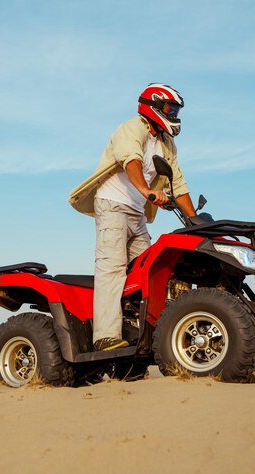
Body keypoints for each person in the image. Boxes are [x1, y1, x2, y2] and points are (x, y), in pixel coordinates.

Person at [69, 83, 196, 351]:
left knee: (149, 272)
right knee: (112, 268)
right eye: (170, 108)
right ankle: (105, 336)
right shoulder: (131, 128)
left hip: (137, 212)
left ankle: (145, 333)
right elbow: (131, 161)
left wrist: (196, 222)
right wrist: (148, 191)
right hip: (113, 205)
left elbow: (179, 184)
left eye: (176, 110)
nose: (174, 114)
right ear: (153, 108)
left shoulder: (166, 143)